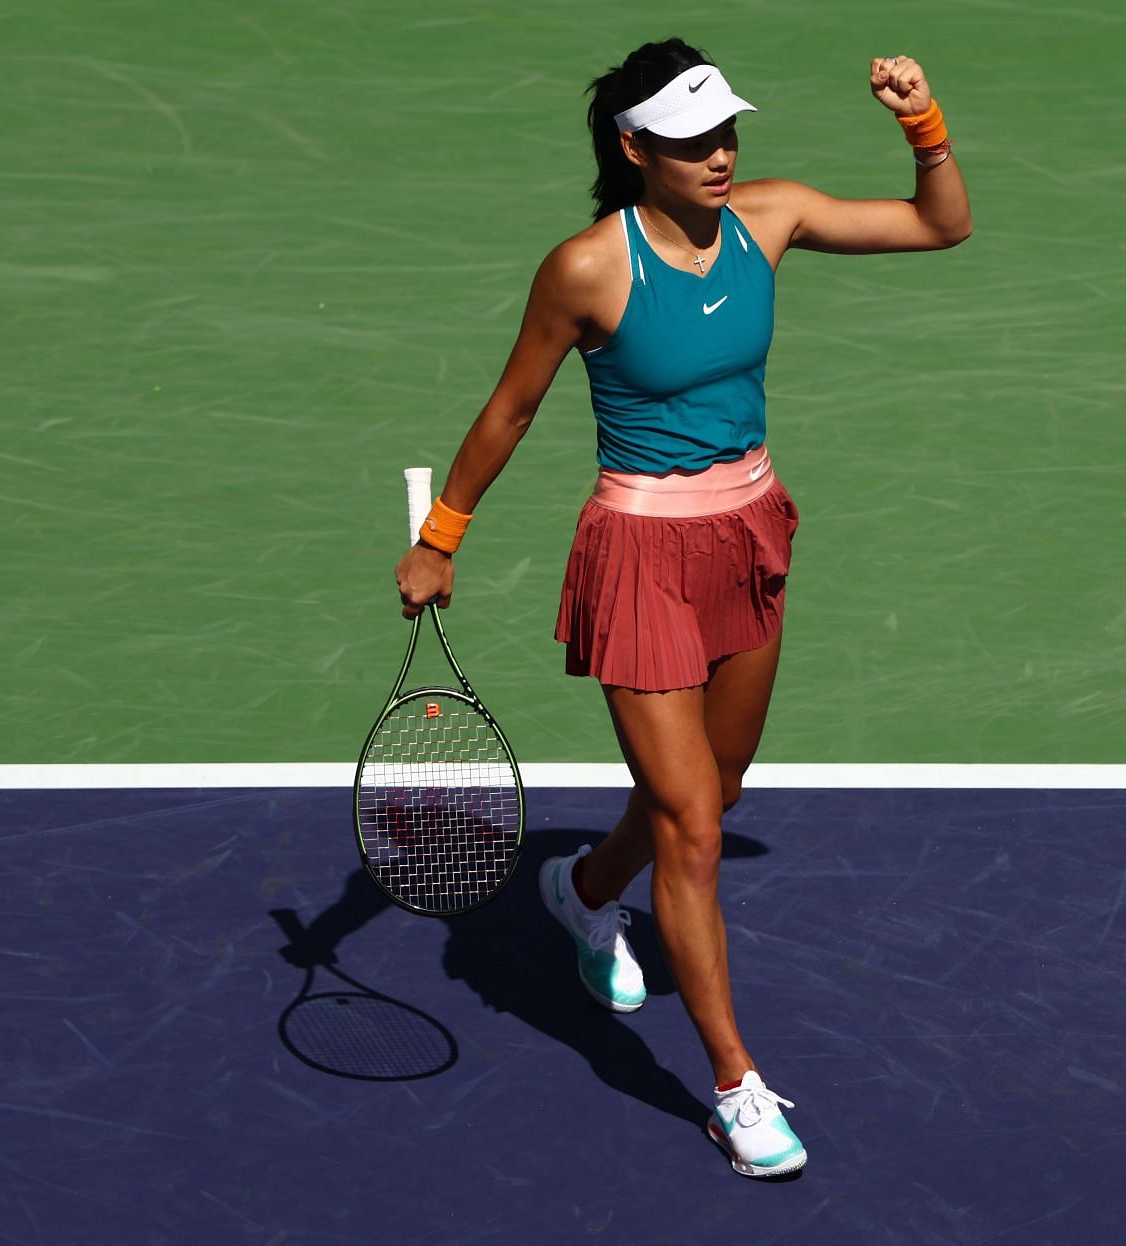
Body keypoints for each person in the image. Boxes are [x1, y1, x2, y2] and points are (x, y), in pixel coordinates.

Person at [394, 38, 970, 1179]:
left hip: (749, 533)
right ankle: (735, 1083)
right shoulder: (587, 270)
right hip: (643, 556)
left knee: (717, 786)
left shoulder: (773, 219)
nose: (720, 155)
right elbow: (511, 410)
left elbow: (940, 224)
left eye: (726, 133)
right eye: (692, 140)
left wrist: (923, 120)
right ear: (633, 149)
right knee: (693, 829)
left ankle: (582, 887)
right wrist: (440, 536)